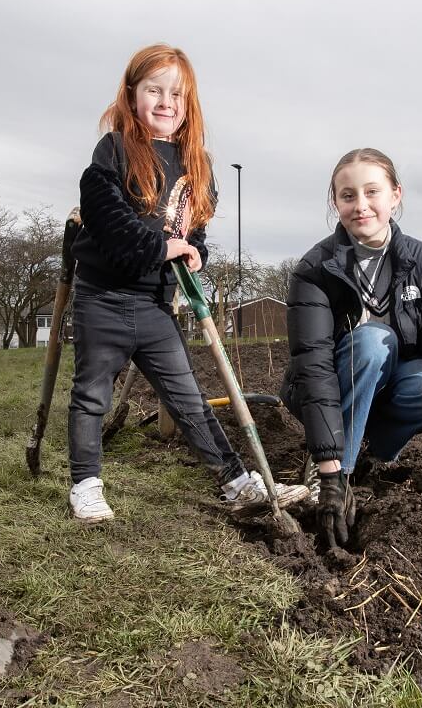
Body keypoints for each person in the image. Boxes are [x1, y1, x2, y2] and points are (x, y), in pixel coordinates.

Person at [67, 43, 308, 522]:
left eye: (176, 94)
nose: (165, 102)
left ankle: (238, 483)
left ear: (189, 102)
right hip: (103, 298)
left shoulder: (196, 163)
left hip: (156, 304)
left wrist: (196, 251)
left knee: (189, 400)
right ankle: (86, 485)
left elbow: (193, 225)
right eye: (153, 90)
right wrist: (160, 248)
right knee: (92, 394)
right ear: (131, 95)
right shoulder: (113, 150)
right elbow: (106, 216)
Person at [281, 148, 422, 548]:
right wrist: (332, 475)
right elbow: (313, 366)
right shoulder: (314, 270)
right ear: (335, 203)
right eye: (348, 196)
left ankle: (372, 453)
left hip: (392, 387)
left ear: (395, 195)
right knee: (374, 342)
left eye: (372, 192)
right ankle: (336, 463)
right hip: (329, 388)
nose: (360, 206)